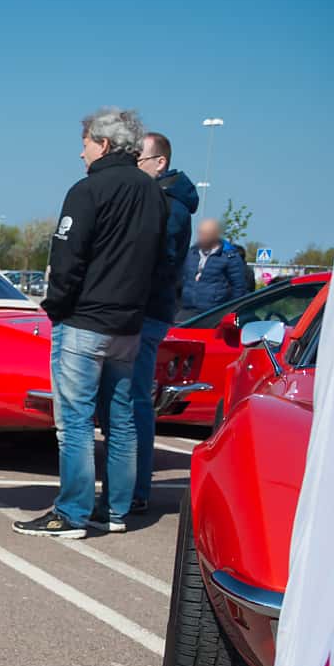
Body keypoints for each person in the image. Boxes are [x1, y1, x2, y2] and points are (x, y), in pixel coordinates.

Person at [16, 107, 166, 540]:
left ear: (102, 143)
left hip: (86, 320)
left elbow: (67, 258)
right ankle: (115, 509)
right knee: (120, 419)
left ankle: (72, 512)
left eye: (84, 144)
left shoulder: (88, 190)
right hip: (129, 324)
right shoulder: (152, 193)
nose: (80, 153)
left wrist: (57, 306)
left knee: (75, 421)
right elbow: (161, 260)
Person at [113, 132, 198, 515]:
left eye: (139, 161)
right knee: (129, 399)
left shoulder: (171, 206)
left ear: (159, 163)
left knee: (134, 401)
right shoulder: (164, 200)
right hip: (145, 309)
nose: (133, 169)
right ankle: (129, 486)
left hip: (146, 311)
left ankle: (135, 489)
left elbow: (157, 259)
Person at [178, 217, 253, 315]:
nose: (202, 237)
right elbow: (181, 279)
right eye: (201, 233)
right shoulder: (192, 253)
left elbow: (239, 288)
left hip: (213, 313)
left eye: (206, 234)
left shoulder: (229, 256)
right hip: (187, 310)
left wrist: (228, 310)